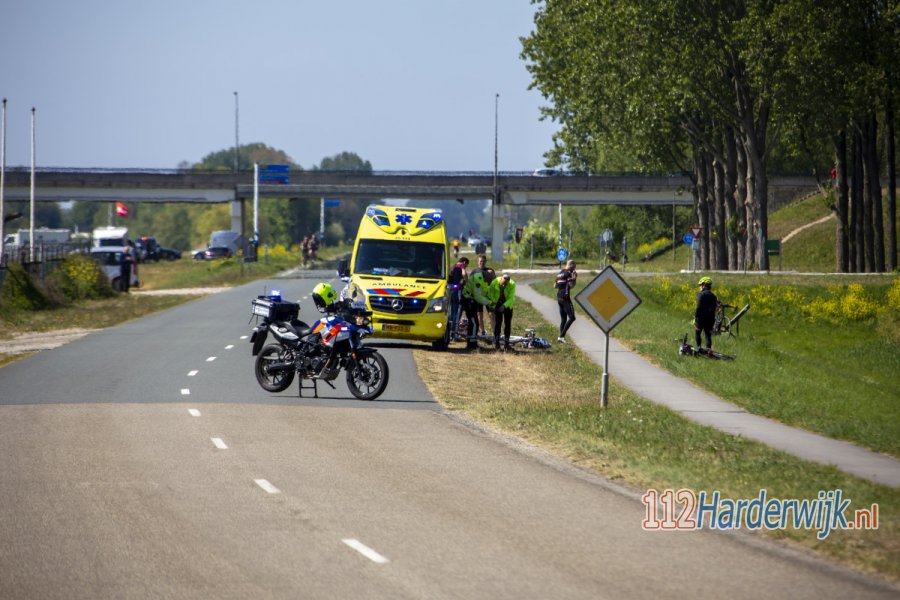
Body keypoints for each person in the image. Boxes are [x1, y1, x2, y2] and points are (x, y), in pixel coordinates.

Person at [469, 253, 496, 336]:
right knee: (479, 314)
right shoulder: (474, 271)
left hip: (488, 296)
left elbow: (495, 282)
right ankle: (482, 332)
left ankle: (495, 332)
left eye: (483, 261)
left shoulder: (490, 270)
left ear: (486, 262)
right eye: (480, 261)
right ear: (478, 262)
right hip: (478, 296)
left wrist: (491, 275)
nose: (482, 263)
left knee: (492, 314)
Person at [488, 273, 516, 351]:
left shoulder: (512, 284)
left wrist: (504, 306)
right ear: (501, 280)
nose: (504, 286)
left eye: (506, 285)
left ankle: (506, 344)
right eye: (503, 284)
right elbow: (490, 295)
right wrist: (495, 305)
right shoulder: (494, 282)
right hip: (497, 302)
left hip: (507, 304)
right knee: (498, 323)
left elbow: (511, 298)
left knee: (507, 323)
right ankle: (497, 343)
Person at [555, 260, 577, 343]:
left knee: (563, 319)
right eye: (574, 267)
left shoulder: (560, 273)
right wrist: (574, 278)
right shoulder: (568, 273)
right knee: (572, 317)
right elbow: (571, 285)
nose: (574, 269)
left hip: (559, 297)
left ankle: (561, 338)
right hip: (565, 297)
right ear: (570, 265)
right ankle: (561, 336)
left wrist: (565, 285)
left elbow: (555, 285)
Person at [694, 276, 718, 353]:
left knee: (698, 332)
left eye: (700, 285)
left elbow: (699, 307)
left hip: (701, 318)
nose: (699, 287)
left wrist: (696, 317)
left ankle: (698, 347)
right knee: (708, 335)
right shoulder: (713, 296)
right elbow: (714, 308)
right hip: (710, 318)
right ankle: (708, 350)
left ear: (703, 285)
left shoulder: (701, 295)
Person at [447, 256, 469, 340]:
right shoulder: (461, 266)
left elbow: (449, 274)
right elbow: (464, 274)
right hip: (457, 291)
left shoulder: (453, 266)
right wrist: (466, 282)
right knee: (457, 312)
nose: (466, 267)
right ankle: (454, 334)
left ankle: (449, 332)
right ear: (464, 262)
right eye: (466, 265)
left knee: (451, 311)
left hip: (450, 290)